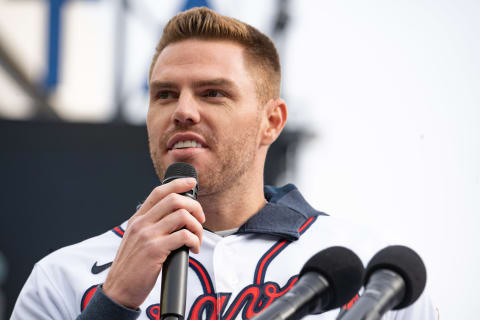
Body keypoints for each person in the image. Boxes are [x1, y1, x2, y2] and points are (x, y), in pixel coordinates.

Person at [11, 7, 436, 320]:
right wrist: (114, 301)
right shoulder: (61, 276)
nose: (183, 111)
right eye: (163, 94)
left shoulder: (373, 270)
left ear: (271, 122)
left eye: (213, 93)